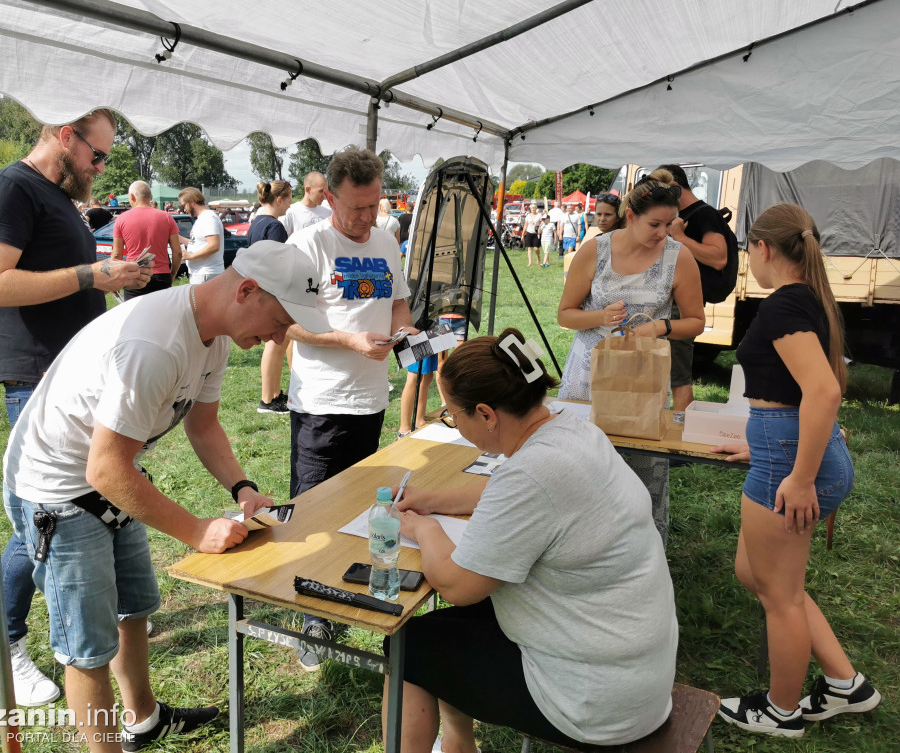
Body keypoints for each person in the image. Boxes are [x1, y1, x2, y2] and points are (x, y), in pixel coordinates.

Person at [2, 241, 330, 752]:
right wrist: (197, 530)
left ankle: (143, 719)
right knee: (86, 650)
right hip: (58, 490)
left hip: (111, 476)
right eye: (282, 319)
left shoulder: (215, 335)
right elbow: (105, 466)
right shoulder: (154, 344)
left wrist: (243, 489)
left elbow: (204, 426)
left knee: (135, 608)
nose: (282, 335)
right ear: (246, 290)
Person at [385, 329, 678, 751]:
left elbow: (456, 586)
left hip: (595, 702)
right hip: (634, 673)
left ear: (485, 414)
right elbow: (519, 494)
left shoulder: (530, 474)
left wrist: (423, 528)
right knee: (440, 636)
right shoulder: (571, 430)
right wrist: (434, 500)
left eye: (452, 414)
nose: (454, 423)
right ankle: (457, 744)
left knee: (409, 646)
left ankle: (455, 744)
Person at [0, 108, 151, 706]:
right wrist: (90, 274)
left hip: (68, 378)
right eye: (96, 155)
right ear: (64, 135)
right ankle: (1, 649)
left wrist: (107, 277)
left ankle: (39, 634)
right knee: (41, 523)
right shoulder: (10, 187)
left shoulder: (52, 194)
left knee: (63, 517)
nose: (101, 168)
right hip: (37, 376)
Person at [715, 204, 880, 737]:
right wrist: (765, 449)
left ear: (763, 248)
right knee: (757, 574)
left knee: (779, 594)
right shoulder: (807, 299)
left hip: (792, 463)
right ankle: (844, 683)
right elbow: (805, 388)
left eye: (748, 251)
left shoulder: (785, 306)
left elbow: (825, 390)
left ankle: (780, 711)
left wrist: (801, 475)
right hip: (784, 452)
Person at [285, 147, 416, 669]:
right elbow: (285, 324)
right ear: (331, 197)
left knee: (360, 506)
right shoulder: (308, 243)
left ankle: (345, 586)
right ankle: (313, 611)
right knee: (314, 509)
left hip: (370, 399)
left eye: (374, 205)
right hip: (321, 400)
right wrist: (348, 340)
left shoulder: (385, 239)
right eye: (356, 208)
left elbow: (398, 299)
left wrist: (404, 332)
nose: (366, 218)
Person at [556, 170, 705, 544]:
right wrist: (599, 317)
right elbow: (564, 314)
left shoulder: (679, 257)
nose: (663, 232)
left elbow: (696, 322)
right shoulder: (596, 249)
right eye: (655, 224)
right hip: (588, 376)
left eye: (670, 223)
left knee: (638, 462)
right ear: (631, 215)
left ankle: (639, 549)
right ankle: (575, 544)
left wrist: (660, 328)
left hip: (642, 379)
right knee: (580, 462)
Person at [658, 164, 731, 412]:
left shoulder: (704, 215)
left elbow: (718, 257)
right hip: (671, 301)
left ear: (676, 188)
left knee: (678, 377)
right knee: (666, 372)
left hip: (683, 305)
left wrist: (680, 237)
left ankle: (680, 428)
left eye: (662, 191)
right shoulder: (679, 215)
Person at [249, 180, 294, 414]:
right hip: (273, 291)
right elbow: (279, 263)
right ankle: (268, 399)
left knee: (277, 343)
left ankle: (274, 394)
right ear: (279, 199)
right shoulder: (275, 226)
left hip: (261, 289)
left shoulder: (256, 222)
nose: (290, 204)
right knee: (275, 344)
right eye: (289, 198)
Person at [111, 180, 182, 299]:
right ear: (151, 197)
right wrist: (172, 273)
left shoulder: (121, 219)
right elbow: (178, 252)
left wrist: (114, 281)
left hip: (134, 275)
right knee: (162, 316)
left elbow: (117, 254)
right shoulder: (167, 217)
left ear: (132, 197)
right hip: (161, 275)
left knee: (135, 315)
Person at [179, 187, 224, 284]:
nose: (184, 209)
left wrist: (191, 256)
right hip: (202, 274)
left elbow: (214, 245)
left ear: (192, 202)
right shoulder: (202, 218)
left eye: (184, 205)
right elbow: (197, 243)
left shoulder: (208, 218)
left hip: (206, 274)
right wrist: (179, 238)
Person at [281, 171, 331, 235]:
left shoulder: (328, 213)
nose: (325, 195)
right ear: (308, 190)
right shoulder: (291, 212)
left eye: (326, 191)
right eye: (321, 191)